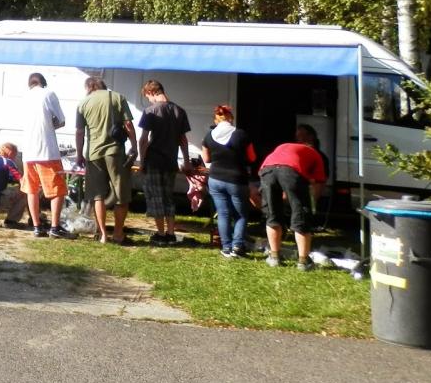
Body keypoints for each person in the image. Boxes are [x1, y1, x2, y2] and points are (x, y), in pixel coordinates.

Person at [74, 76, 138, 244]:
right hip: (115, 152)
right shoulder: (118, 97)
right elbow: (128, 125)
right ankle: (118, 234)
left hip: (93, 153)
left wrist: (79, 154)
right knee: (121, 194)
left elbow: (79, 132)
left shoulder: (83, 103)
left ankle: (102, 234)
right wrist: (134, 146)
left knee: (98, 195)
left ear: (89, 87)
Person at [257, 130, 327, 270]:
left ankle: (274, 257)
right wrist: (312, 204)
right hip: (290, 171)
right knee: (300, 215)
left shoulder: (284, 146)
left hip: (266, 170)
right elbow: (319, 183)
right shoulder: (315, 154)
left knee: (273, 214)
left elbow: (278, 170)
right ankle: (303, 261)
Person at [135, 80, 191, 245]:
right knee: (168, 197)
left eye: (147, 97)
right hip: (171, 161)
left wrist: (142, 162)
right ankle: (171, 233)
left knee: (155, 197)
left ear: (151, 92)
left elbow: (143, 140)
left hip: (154, 160)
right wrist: (186, 161)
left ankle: (160, 234)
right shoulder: (179, 111)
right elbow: (183, 140)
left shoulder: (150, 111)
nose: (148, 100)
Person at [201, 104, 257, 258]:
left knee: (223, 214)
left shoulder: (208, 136)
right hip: (236, 179)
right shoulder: (241, 134)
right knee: (240, 214)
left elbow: (206, 158)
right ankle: (237, 246)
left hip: (215, 178)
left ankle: (226, 248)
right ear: (231, 118)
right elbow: (252, 157)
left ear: (216, 120)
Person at [21, 72, 71, 238]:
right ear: (43, 83)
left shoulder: (25, 96)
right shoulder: (48, 94)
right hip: (47, 151)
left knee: (32, 190)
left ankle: (37, 226)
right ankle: (55, 227)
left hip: (28, 151)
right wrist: (50, 125)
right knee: (57, 190)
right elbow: (61, 120)